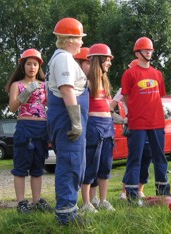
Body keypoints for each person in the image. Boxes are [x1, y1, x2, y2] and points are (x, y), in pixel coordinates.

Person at [46, 17, 89, 225]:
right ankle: (66, 215)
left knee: (74, 162)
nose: (81, 42)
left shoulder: (63, 58)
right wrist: (76, 121)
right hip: (66, 116)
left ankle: (69, 209)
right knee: (70, 163)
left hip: (64, 115)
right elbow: (67, 89)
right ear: (70, 39)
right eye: (80, 38)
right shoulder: (63, 58)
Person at [121, 37, 170, 202]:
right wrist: (135, 111)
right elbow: (126, 97)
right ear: (137, 53)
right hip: (137, 123)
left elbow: (159, 97)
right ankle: (132, 195)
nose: (149, 52)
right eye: (145, 49)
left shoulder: (157, 74)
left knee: (159, 157)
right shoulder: (129, 74)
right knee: (135, 158)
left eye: (150, 50)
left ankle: (163, 192)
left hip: (157, 122)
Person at [5, 48, 53, 214]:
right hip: (25, 127)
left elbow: (51, 105)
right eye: (29, 64)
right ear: (22, 66)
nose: (32, 67)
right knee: (21, 167)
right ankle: (21, 203)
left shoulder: (45, 85)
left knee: (38, 168)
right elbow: (12, 107)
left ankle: (36, 201)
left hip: (42, 128)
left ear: (39, 67)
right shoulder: (16, 85)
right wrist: (27, 91)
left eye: (35, 64)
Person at [79, 43, 116, 213]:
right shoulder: (87, 83)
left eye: (109, 60)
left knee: (105, 165)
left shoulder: (105, 83)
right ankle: (86, 202)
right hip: (93, 127)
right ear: (98, 61)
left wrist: (119, 118)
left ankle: (102, 200)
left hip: (108, 127)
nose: (109, 63)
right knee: (90, 165)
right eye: (107, 60)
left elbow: (108, 107)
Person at [111, 59, 151, 200]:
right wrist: (123, 120)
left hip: (149, 125)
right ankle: (125, 191)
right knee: (134, 158)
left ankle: (140, 189)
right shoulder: (124, 88)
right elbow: (110, 107)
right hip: (134, 127)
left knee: (147, 157)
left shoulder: (148, 86)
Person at [73, 47, 101, 207]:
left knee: (95, 164)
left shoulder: (95, 82)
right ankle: (82, 201)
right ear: (79, 63)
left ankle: (93, 197)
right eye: (88, 63)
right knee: (84, 164)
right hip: (83, 126)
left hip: (95, 127)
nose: (91, 66)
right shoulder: (79, 83)